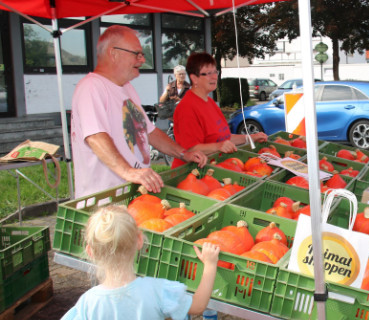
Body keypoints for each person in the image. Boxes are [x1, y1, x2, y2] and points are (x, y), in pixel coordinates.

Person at [70, 26, 207, 198]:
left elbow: (150, 132)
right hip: (105, 202)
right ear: (114, 53)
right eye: (137, 54)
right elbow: (96, 137)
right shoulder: (91, 87)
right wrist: (129, 172)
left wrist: (183, 153)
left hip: (134, 194)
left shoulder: (127, 88)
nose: (142, 60)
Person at [61, 205, 220, 319]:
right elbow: (198, 306)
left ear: (91, 251)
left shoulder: (88, 302)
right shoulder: (157, 290)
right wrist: (210, 265)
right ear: (139, 240)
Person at [171, 52, 268, 168]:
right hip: (191, 173)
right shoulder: (186, 108)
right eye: (208, 73)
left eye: (215, 72)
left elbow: (225, 138)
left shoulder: (210, 102)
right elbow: (191, 149)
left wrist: (251, 138)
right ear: (194, 78)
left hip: (214, 167)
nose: (214, 77)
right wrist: (218, 146)